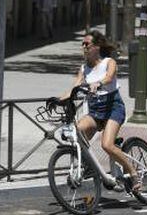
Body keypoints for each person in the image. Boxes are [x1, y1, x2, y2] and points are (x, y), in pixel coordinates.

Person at [60, 30, 141, 191]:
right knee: (77, 132)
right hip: (95, 111)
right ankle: (90, 166)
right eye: (82, 44)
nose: (84, 47)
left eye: (87, 44)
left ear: (96, 47)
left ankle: (133, 173)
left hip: (113, 108)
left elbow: (109, 77)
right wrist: (58, 99)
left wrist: (99, 83)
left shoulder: (109, 62)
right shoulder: (83, 69)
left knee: (107, 145)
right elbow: (75, 87)